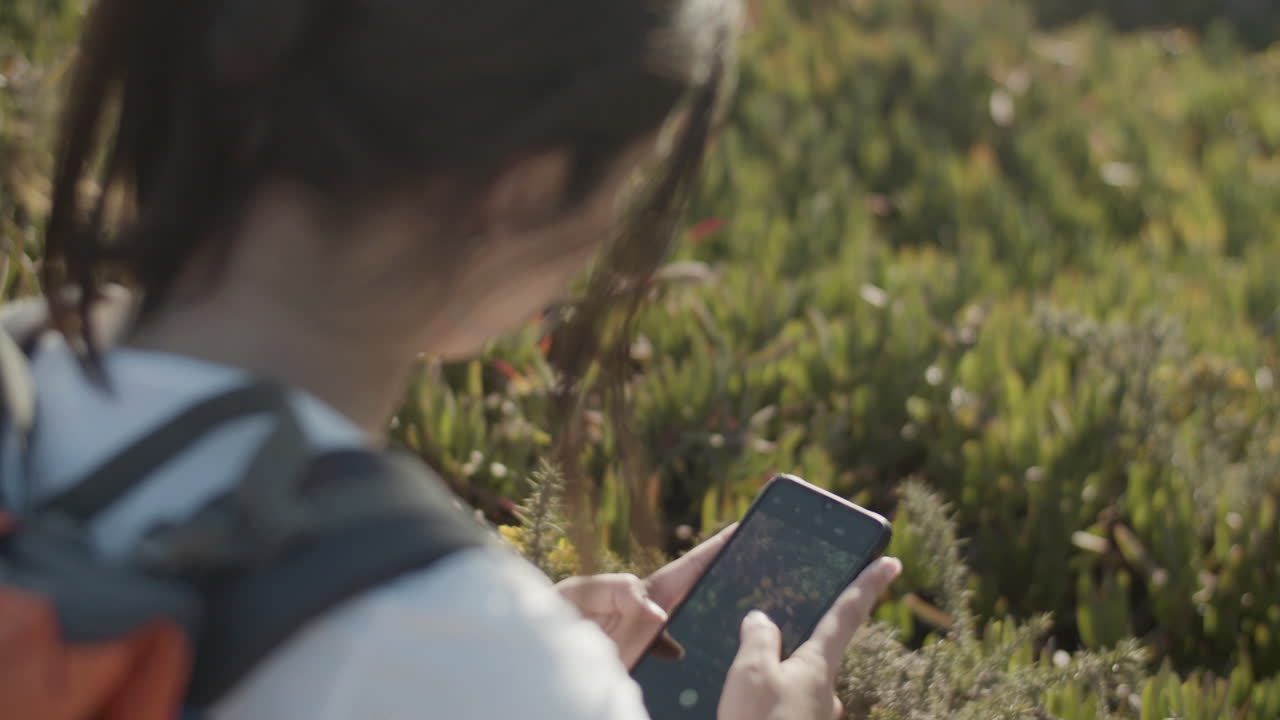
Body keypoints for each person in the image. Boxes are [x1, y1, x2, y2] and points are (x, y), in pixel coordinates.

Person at [23, 0, 903, 718]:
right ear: (534, 186)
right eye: (628, 184)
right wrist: (503, 660)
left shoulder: (22, 365)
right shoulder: (493, 669)